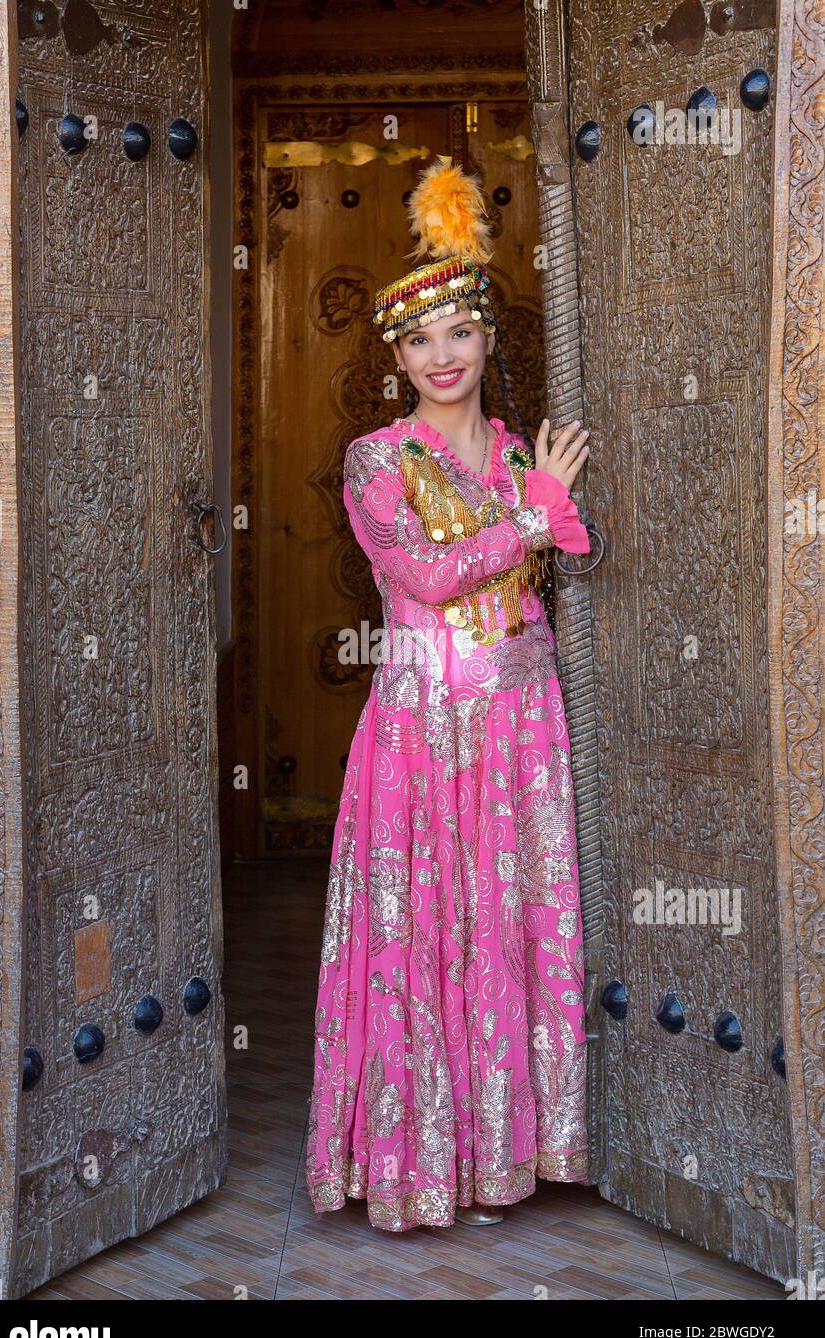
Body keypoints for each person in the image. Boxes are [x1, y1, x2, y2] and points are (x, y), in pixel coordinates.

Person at [305, 156, 591, 1232]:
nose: (440, 357)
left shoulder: (520, 453)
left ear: (484, 337)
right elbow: (424, 575)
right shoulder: (372, 459)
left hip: (520, 722)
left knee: (507, 933)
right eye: (417, 342)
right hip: (425, 732)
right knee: (425, 940)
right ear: (396, 356)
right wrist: (533, 516)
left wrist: (553, 510)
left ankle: (503, 1158)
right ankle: (417, 1162)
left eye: (457, 334)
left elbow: (562, 564)